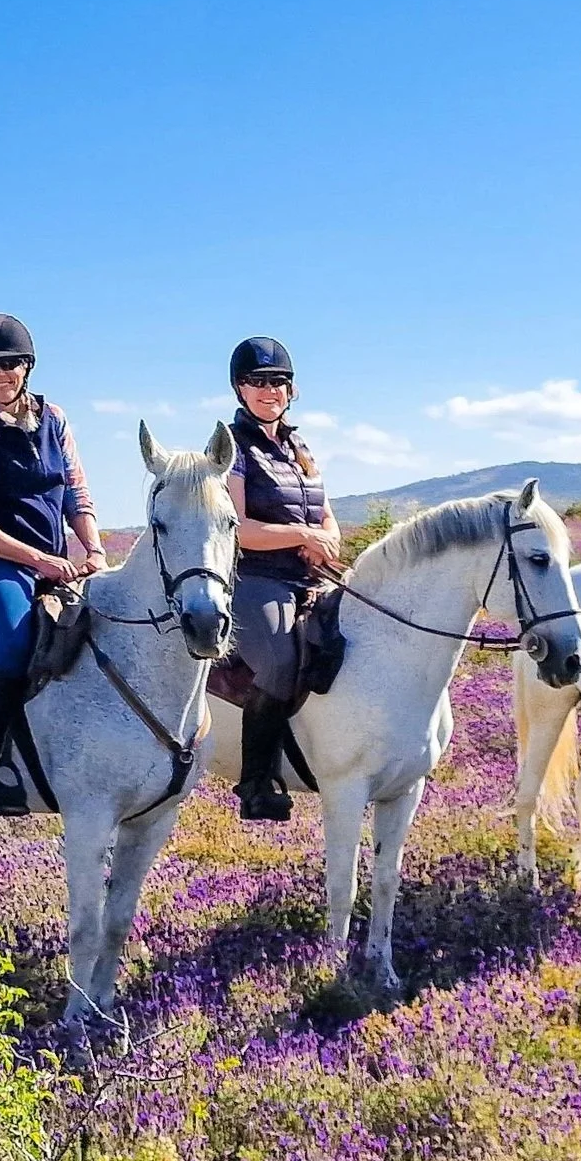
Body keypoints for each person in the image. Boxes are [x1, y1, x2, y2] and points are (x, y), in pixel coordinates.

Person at [0, 313, 106, 815]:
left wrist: (94, 551)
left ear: (27, 366)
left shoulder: (55, 420)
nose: (0, 373)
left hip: (58, 561)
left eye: (10, 363)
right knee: (15, 648)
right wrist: (40, 560)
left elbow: (76, 494)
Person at [223, 336, 341, 820]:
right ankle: (255, 782)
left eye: (278, 381)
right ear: (240, 389)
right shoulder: (232, 446)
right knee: (278, 661)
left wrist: (326, 541)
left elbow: (327, 514)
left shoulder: (299, 446)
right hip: (256, 578)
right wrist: (300, 533)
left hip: (309, 576)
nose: (268, 390)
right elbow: (238, 528)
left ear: (291, 390)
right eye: (257, 382)